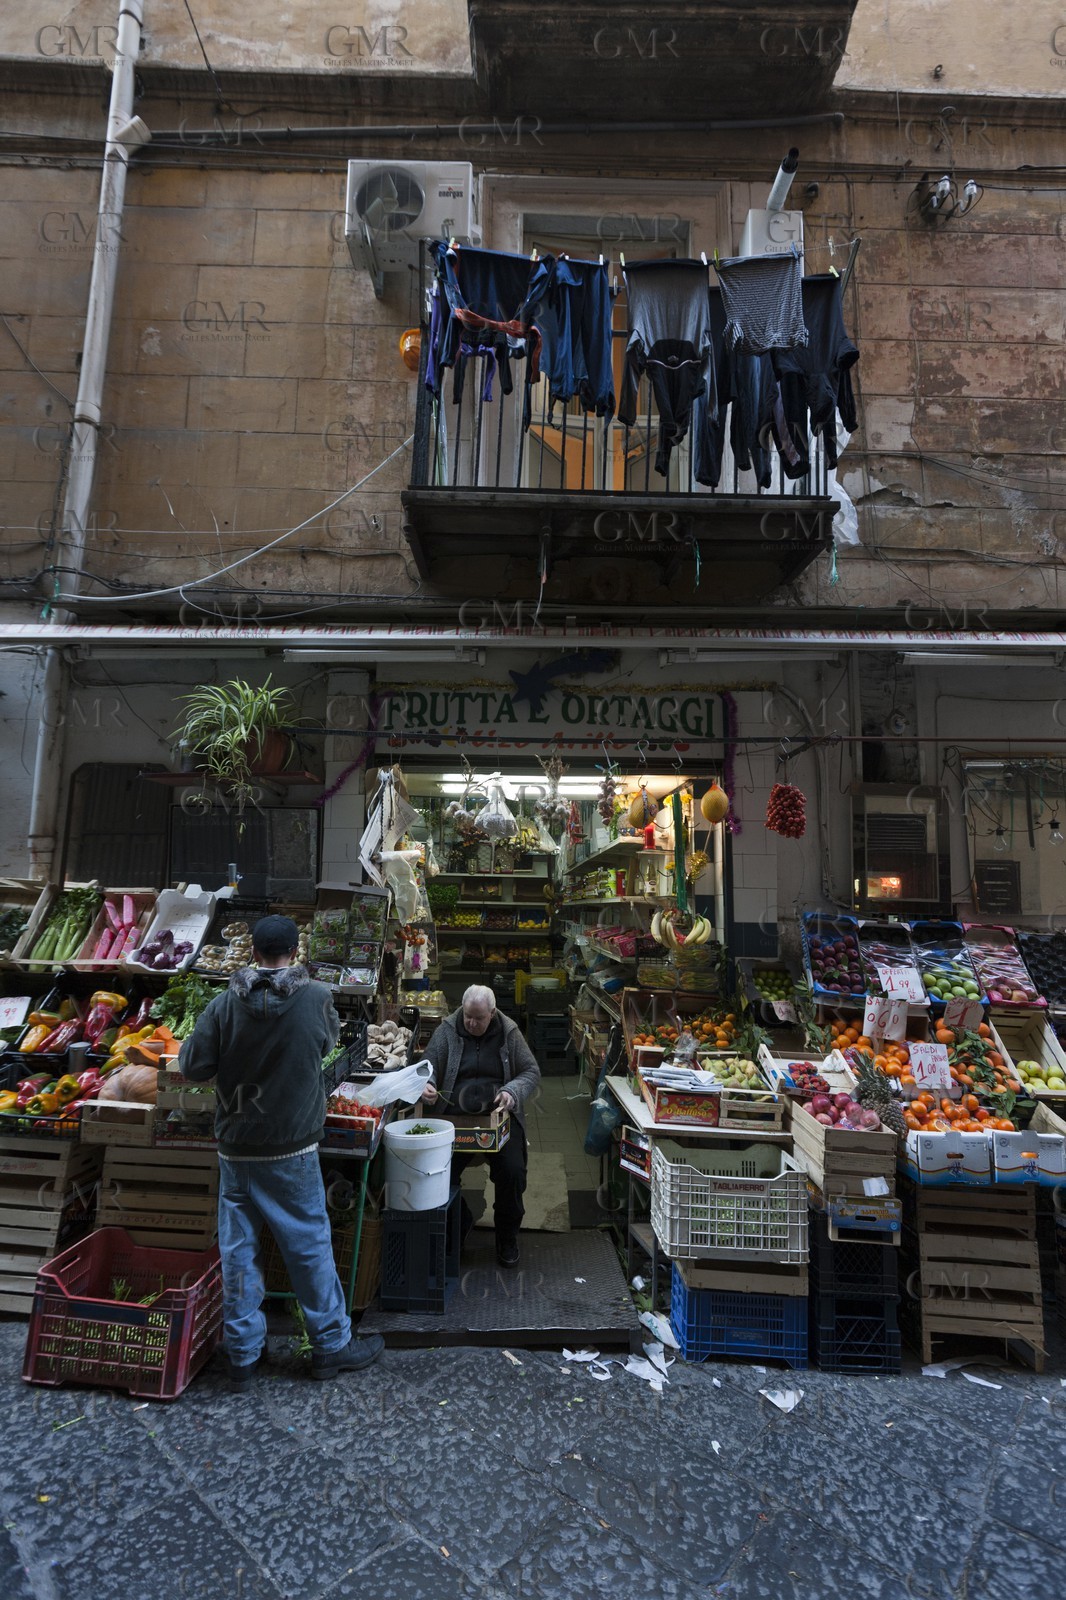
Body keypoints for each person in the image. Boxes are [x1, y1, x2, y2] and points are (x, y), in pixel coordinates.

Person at [179, 914, 384, 1385]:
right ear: (297, 953)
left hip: (236, 1148)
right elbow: (327, 1043)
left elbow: (192, 1065)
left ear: (253, 952)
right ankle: (331, 1345)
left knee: (238, 1250)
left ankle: (244, 1355)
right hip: (291, 1147)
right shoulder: (314, 998)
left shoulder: (223, 1004)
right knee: (308, 1245)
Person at [421, 984, 541, 1267]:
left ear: (493, 1013)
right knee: (437, 1172)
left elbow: (531, 1071)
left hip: (497, 1118)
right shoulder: (447, 1030)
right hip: (453, 1119)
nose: (472, 1023)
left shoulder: (509, 1032)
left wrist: (512, 1091)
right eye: (467, 1017)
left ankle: (507, 1236)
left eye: (479, 1018)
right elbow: (428, 1065)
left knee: (512, 1172)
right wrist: (426, 1083)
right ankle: (459, 1222)